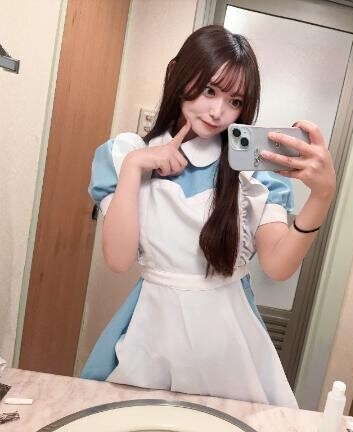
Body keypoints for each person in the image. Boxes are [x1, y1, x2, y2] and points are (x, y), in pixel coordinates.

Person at [81, 25, 335, 408]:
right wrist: (135, 167)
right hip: (153, 332)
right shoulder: (125, 154)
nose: (218, 112)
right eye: (209, 90)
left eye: (235, 101)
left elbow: (279, 266)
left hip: (228, 339)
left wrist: (321, 196)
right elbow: (118, 261)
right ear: (177, 74)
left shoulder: (253, 174)